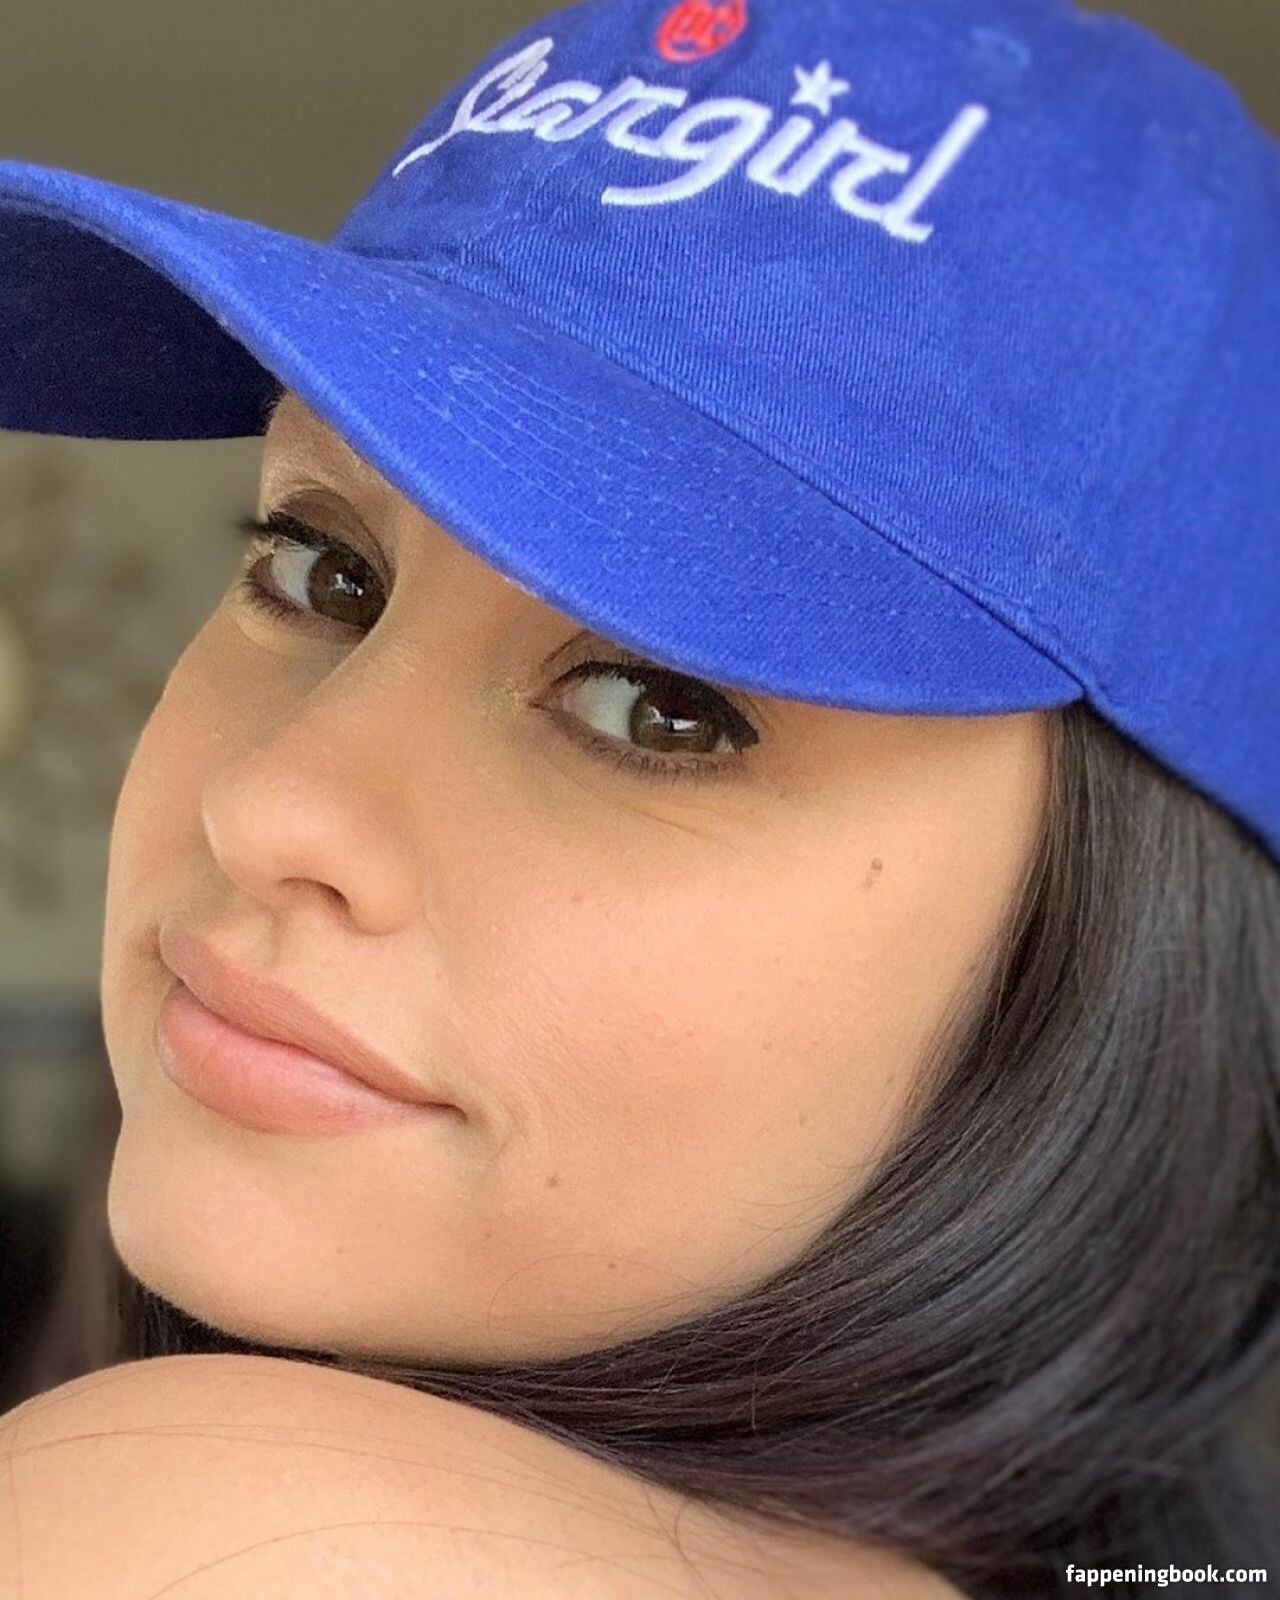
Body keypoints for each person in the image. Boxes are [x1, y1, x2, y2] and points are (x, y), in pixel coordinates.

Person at [0, 0, 1277, 1595]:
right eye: (323, 571)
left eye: (660, 709)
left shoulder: (229, 1538)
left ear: (1118, 955)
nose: (269, 807)